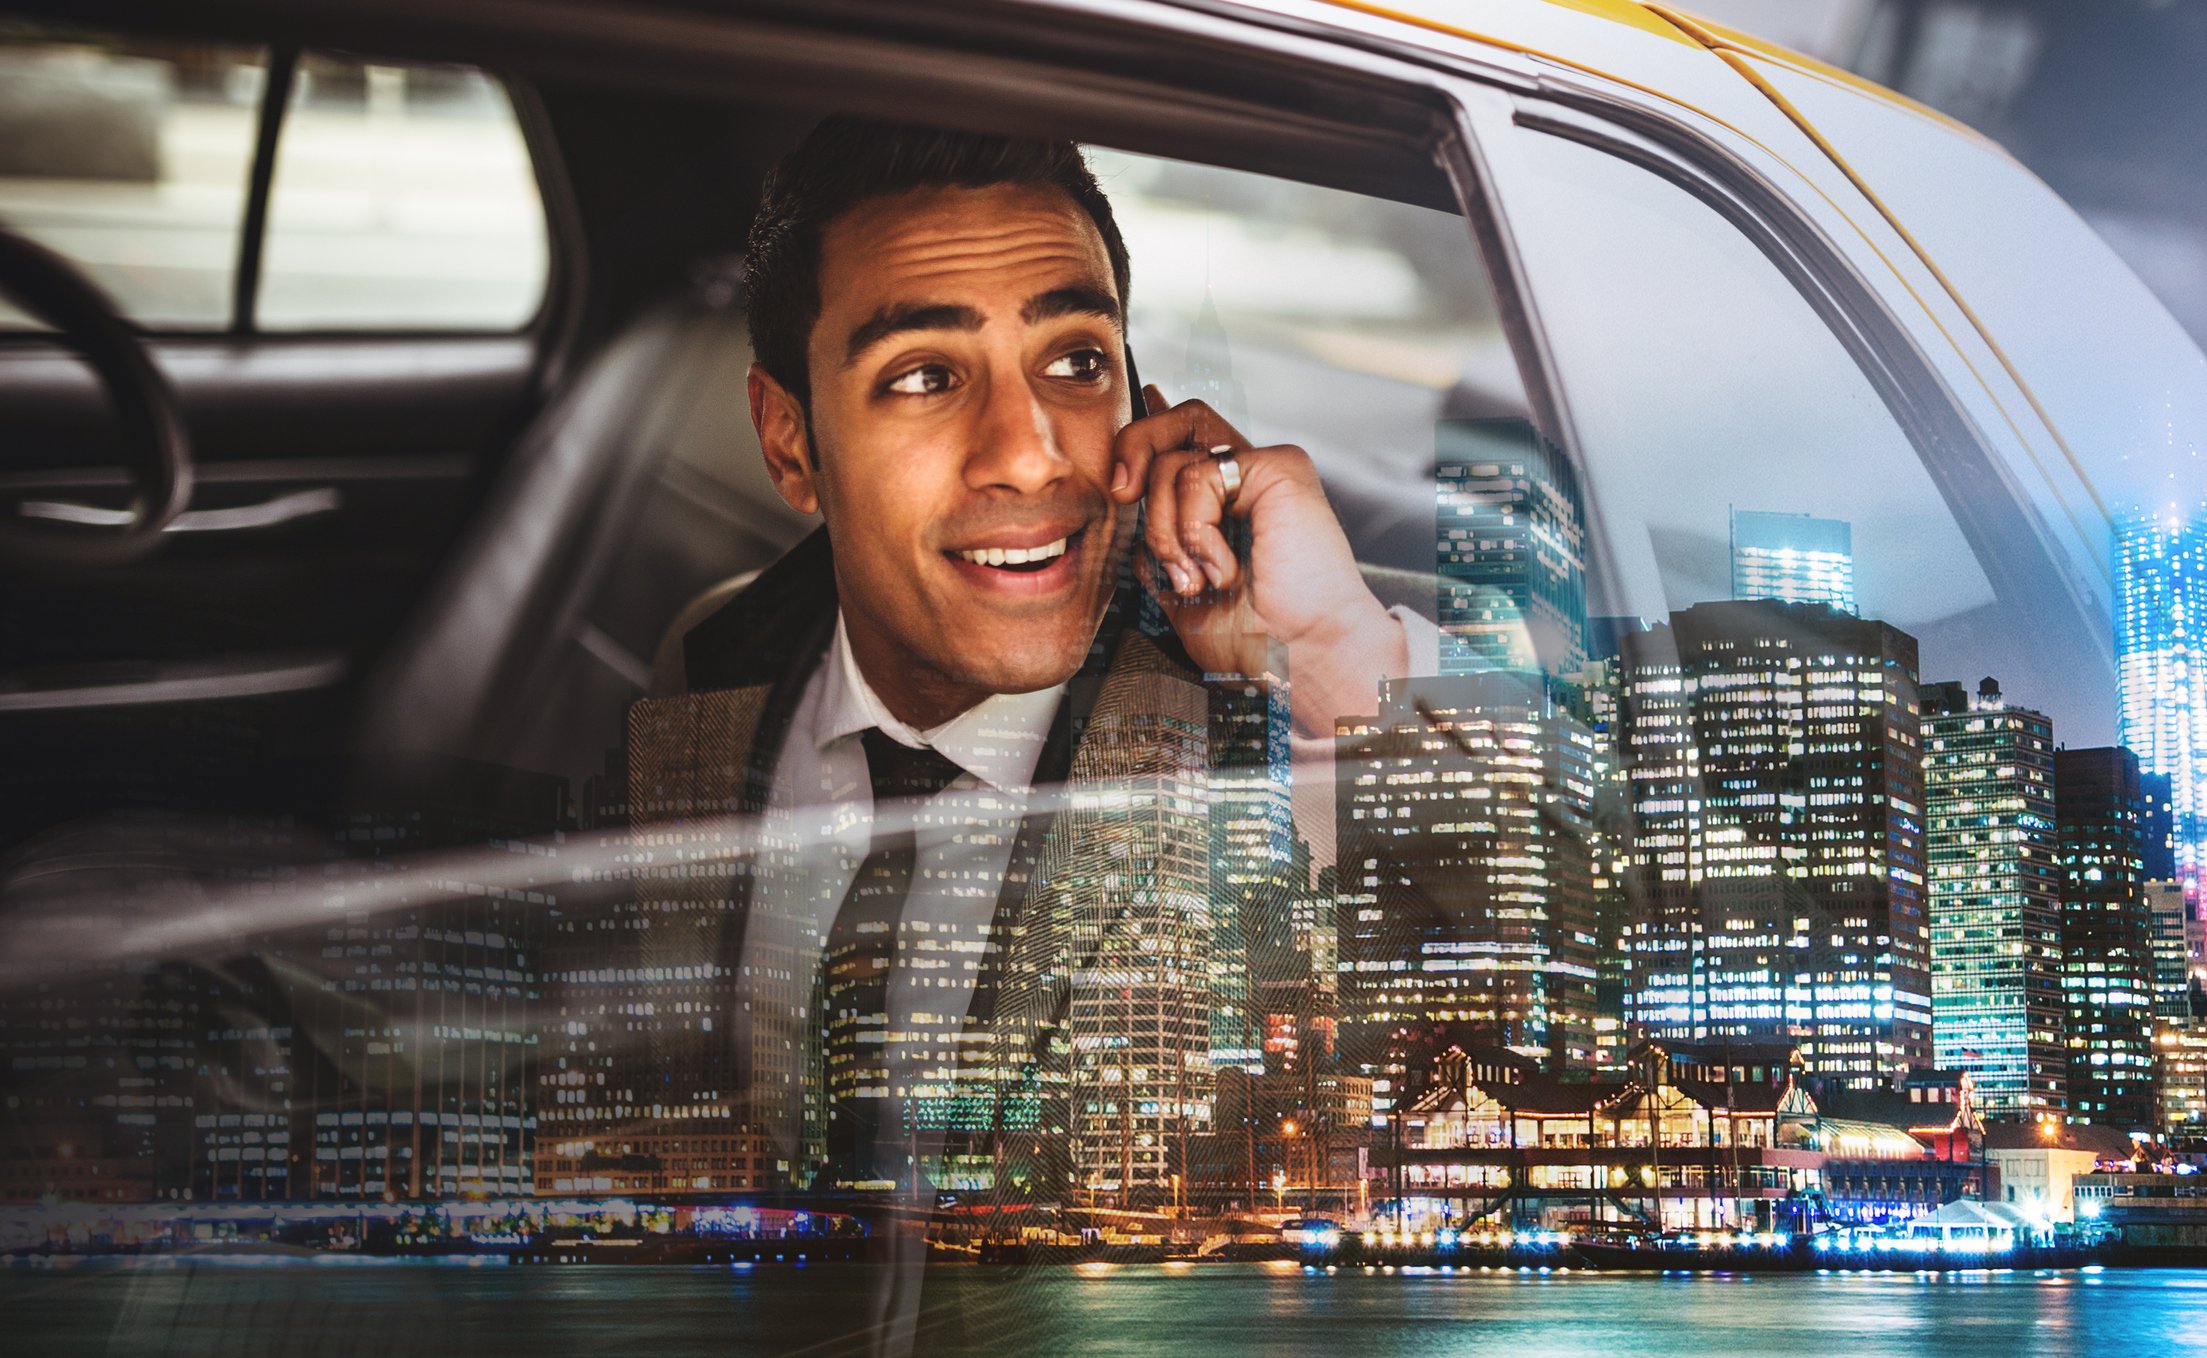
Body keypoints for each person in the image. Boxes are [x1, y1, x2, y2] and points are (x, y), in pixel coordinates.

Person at [637, 116, 1436, 1216]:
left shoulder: (1261, 700)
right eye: (922, 375)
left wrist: (1331, 659)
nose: (1029, 450)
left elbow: (1538, 978)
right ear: (789, 443)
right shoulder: (708, 664)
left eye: (1074, 362)